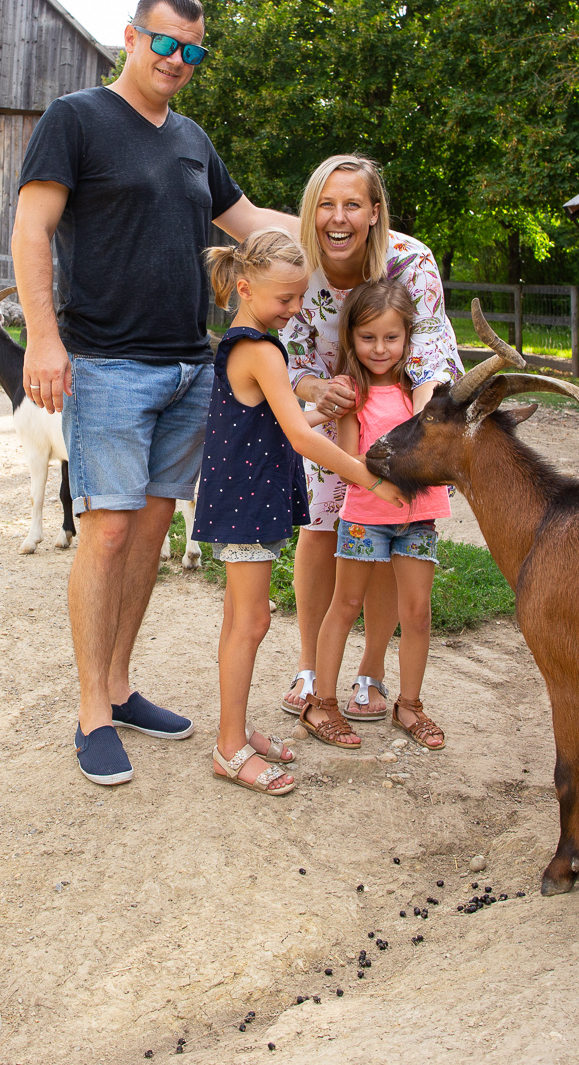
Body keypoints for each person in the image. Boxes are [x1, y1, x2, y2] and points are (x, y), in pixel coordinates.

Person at [13, 0, 300, 787]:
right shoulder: (74, 119)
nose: (177, 61)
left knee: (147, 532)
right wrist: (43, 335)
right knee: (103, 531)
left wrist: (357, 228)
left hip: (188, 366)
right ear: (131, 37)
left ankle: (119, 682)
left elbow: (253, 227)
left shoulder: (191, 140)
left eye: (194, 51)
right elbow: (32, 228)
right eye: (164, 44)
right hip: (105, 363)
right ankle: (90, 713)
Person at [193, 230, 407, 794]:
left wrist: (324, 407)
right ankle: (229, 749)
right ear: (244, 287)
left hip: (243, 494)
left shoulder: (252, 342)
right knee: (254, 620)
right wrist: (367, 475)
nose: (295, 310)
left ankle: (232, 730)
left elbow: (280, 421)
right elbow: (297, 434)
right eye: (285, 300)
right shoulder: (259, 349)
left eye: (298, 298)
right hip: (245, 502)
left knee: (238, 619)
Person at [278, 156, 461, 724]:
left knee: (386, 542)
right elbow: (287, 354)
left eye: (352, 204)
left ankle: (372, 672)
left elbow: (430, 354)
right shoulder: (294, 267)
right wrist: (317, 390)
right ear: (311, 212)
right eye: (326, 205)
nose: (339, 218)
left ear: (374, 212)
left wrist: (416, 445)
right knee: (318, 527)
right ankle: (310, 669)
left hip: (401, 414)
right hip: (330, 410)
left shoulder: (412, 262)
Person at [298, 280, 451, 752]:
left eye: (391, 337)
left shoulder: (422, 387)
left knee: (418, 613)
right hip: (365, 515)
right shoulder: (348, 389)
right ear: (351, 339)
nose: (380, 348)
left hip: (419, 515)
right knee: (345, 605)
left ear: (407, 337)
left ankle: (410, 704)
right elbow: (347, 456)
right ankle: (321, 703)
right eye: (368, 338)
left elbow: (437, 443)